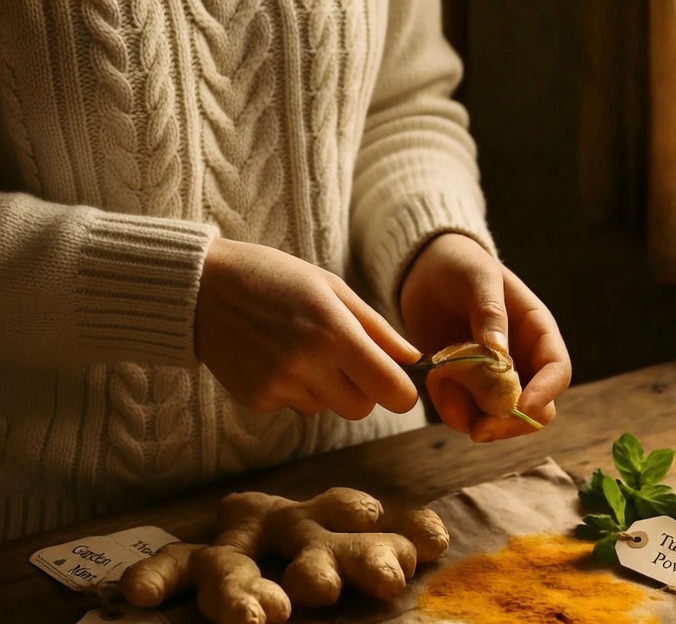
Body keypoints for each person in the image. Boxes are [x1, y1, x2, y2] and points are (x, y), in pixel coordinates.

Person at [0, 2, 572, 544]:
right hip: (61, 536)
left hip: (371, 494)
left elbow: (398, 105)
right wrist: (182, 294)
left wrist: (427, 247)